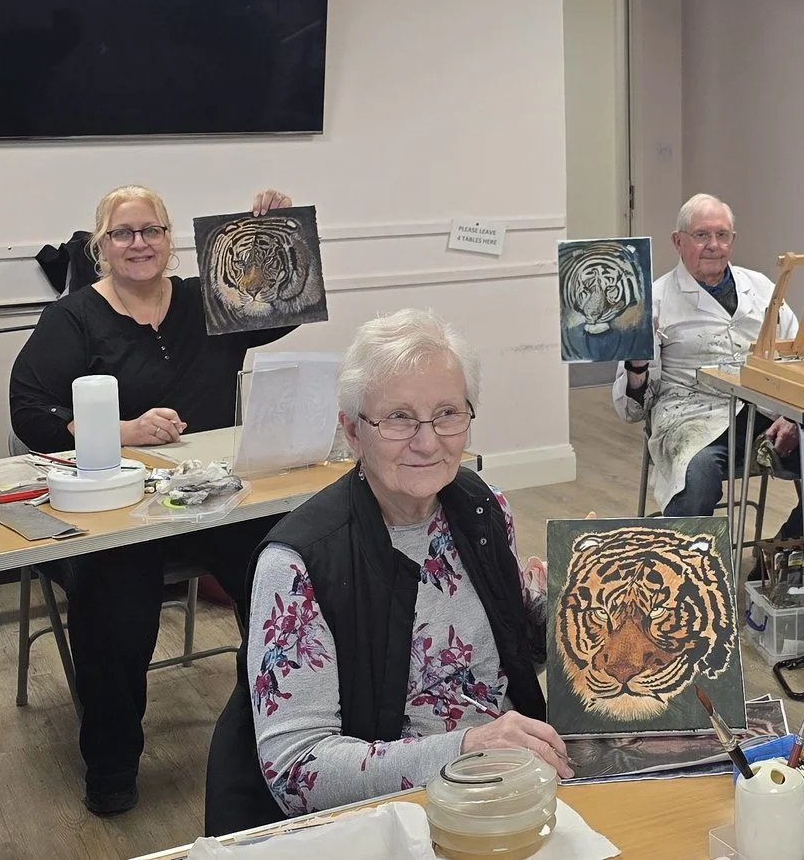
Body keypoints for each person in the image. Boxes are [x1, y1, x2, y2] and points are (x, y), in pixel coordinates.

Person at [6, 184, 296, 815]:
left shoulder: (206, 299)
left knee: (288, 571)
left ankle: (288, 737)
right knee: (116, 604)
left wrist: (273, 234)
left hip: (216, 499)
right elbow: (29, 411)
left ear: (170, 238)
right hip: (118, 508)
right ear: (101, 246)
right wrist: (122, 432)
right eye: (123, 233)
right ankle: (111, 769)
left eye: (152, 230)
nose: (138, 243)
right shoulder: (74, 317)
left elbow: (283, 305)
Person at [206, 309, 557, 828]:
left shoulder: (482, 507)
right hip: (390, 819)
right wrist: (464, 749)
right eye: (398, 418)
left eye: (447, 413)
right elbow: (298, 770)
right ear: (352, 430)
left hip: (504, 789)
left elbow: (503, 660)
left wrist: (574, 604)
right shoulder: (298, 563)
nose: (427, 441)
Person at [614, 194, 804, 541]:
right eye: (701, 235)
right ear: (678, 241)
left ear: (732, 241)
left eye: (722, 235)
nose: (713, 245)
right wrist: (637, 363)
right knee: (697, 477)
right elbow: (631, 411)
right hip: (693, 420)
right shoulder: (654, 300)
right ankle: (689, 568)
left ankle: (789, 551)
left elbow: (799, 359)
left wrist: (793, 416)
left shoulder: (762, 288)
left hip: (767, 416)